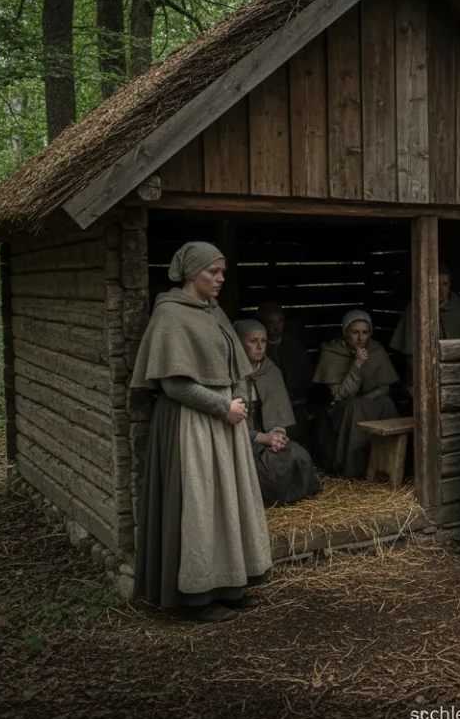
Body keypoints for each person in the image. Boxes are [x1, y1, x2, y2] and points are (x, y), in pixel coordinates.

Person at [130, 242, 271, 624]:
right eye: (213, 271)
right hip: (192, 424)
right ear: (192, 272)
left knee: (229, 504)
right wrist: (222, 407)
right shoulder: (170, 314)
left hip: (227, 422)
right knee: (201, 506)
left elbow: (237, 368)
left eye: (223, 272)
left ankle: (231, 586)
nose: (221, 278)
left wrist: (237, 398)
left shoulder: (215, 312)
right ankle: (197, 596)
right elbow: (174, 384)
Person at [233, 320, 322, 507]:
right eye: (253, 341)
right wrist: (261, 437)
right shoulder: (228, 374)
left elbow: (277, 410)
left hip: (267, 438)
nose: (260, 347)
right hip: (239, 440)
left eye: (264, 341)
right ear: (239, 343)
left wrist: (277, 433)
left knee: (297, 454)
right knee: (255, 468)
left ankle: (291, 501)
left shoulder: (270, 371)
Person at [312, 310, 401, 479]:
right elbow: (339, 395)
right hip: (341, 407)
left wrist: (366, 399)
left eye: (365, 332)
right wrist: (357, 365)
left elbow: (384, 387)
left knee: (386, 403)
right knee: (354, 407)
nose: (360, 338)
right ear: (345, 332)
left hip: (368, 401)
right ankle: (354, 470)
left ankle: (388, 465)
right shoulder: (332, 352)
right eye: (355, 332)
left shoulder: (376, 350)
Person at [390, 264, 460, 383]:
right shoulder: (415, 308)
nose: (440, 290)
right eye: (436, 284)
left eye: (445, 284)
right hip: (423, 374)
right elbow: (408, 352)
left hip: (457, 372)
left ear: (450, 284)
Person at [255, 302, 314, 430]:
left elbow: (306, 378)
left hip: (297, 404)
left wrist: (298, 397)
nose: (276, 327)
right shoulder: (256, 350)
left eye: (280, 322)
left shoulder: (295, 348)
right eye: (271, 323)